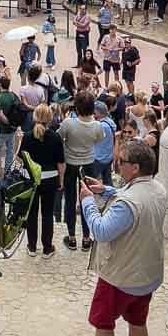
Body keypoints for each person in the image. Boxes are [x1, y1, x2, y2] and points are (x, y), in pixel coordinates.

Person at [79, 139, 166, 336]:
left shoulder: (127, 204)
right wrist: (105, 190)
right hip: (146, 274)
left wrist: (87, 202)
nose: (117, 165)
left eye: (121, 162)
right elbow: (135, 196)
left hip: (119, 276)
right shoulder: (158, 189)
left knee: (103, 323)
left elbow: (102, 231)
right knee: (138, 323)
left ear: (135, 167)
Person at [58, 91, 104, 251]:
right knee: (87, 199)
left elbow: (59, 138)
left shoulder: (68, 124)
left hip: (71, 164)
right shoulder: (97, 126)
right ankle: (86, 237)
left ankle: (71, 237)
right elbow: (99, 140)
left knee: (70, 200)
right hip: (89, 164)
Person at [20, 103, 65, 257]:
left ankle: (31, 246)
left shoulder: (27, 136)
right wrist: (61, 180)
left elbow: (21, 159)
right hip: (50, 178)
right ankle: (47, 247)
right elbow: (60, 162)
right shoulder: (55, 137)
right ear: (50, 118)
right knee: (47, 214)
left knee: (32, 214)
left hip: (31, 179)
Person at [92, 100, 115, 185]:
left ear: (98, 112)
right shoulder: (110, 122)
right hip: (108, 156)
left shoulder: (101, 125)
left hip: (99, 157)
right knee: (107, 180)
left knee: (92, 180)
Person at [19, 64, 47, 132]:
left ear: (28, 77)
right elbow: (42, 104)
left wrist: (28, 106)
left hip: (26, 115)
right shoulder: (40, 90)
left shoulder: (23, 89)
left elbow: (23, 102)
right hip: (37, 114)